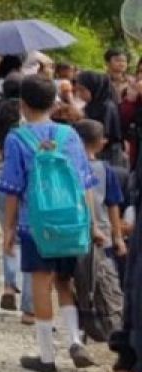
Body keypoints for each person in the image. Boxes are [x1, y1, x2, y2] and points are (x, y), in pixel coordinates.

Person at [0, 75, 101, 372]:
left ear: (22, 104)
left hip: (36, 225)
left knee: (41, 282)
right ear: (54, 101)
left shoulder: (17, 138)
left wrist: (9, 229)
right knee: (64, 282)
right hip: (71, 221)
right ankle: (73, 340)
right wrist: (92, 224)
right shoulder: (70, 135)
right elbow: (85, 184)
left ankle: (46, 357)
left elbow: (13, 188)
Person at [72, 119, 126, 343]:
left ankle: (81, 326)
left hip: (74, 233)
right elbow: (113, 205)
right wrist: (118, 237)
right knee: (103, 280)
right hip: (102, 235)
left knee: (77, 281)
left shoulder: (68, 167)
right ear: (101, 143)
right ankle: (108, 322)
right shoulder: (106, 170)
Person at [0, 74, 33, 322]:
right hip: (23, 179)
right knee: (27, 239)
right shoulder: (28, 120)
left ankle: (8, 286)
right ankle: (28, 302)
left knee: (8, 234)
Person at [76, 70, 127, 169]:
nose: (79, 94)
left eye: (82, 90)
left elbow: (103, 133)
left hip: (107, 154)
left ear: (95, 88)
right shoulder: (91, 105)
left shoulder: (106, 107)